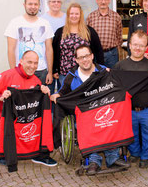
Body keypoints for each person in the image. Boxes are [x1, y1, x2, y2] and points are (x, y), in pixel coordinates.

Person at [51, 44, 129, 175]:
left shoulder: (104, 71)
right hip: (84, 115)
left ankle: (112, 157)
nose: (84, 60)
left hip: (103, 110)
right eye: (81, 57)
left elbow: (118, 89)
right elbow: (63, 92)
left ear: (92, 56)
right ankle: (94, 160)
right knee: (86, 124)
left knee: (110, 121)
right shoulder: (71, 76)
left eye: (86, 56)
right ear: (76, 60)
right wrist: (57, 95)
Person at [0, 51, 57, 167]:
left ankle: (35, 154)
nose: (33, 66)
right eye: (29, 62)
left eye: (35, 63)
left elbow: (39, 103)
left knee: (27, 145)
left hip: (23, 123)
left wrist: (45, 92)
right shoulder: (6, 75)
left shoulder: (36, 81)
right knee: (7, 158)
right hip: (2, 122)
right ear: (21, 61)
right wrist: (0, 97)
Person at [114, 29, 148, 168]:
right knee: (132, 134)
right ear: (129, 45)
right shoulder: (120, 66)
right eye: (135, 44)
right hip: (128, 110)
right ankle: (135, 154)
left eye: (141, 45)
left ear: (146, 47)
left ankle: (146, 156)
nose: (138, 48)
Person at [5, 0, 54, 85]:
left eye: (36, 4)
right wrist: (13, 73)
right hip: (21, 70)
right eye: (30, 4)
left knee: (41, 99)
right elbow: (11, 50)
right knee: (22, 98)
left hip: (41, 71)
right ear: (24, 5)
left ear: (39, 6)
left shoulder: (45, 23)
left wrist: (50, 72)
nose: (33, 7)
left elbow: (49, 49)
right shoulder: (15, 23)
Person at [53, 3, 104, 86]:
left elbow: (99, 52)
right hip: (65, 74)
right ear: (68, 15)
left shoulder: (89, 31)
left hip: (86, 74)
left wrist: (101, 69)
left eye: (77, 14)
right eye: (71, 13)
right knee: (66, 97)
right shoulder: (60, 32)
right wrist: (54, 69)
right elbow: (55, 52)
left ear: (80, 15)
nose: (74, 16)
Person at [86, 0, 123, 68]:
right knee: (96, 77)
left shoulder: (116, 16)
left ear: (109, 0)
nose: (103, 2)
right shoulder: (91, 17)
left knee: (112, 77)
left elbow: (119, 36)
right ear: (97, 0)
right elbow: (87, 36)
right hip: (95, 53)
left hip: (111, 54)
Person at [42, 0, 66, 94]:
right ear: (48, 3)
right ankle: (49, 111)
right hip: (47, 60)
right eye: (53, 1)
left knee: (63, 92)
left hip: (63, 61)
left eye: (58, 1)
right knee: (48, 92)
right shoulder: (42, 19)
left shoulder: (67, 18)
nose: (56, 4)